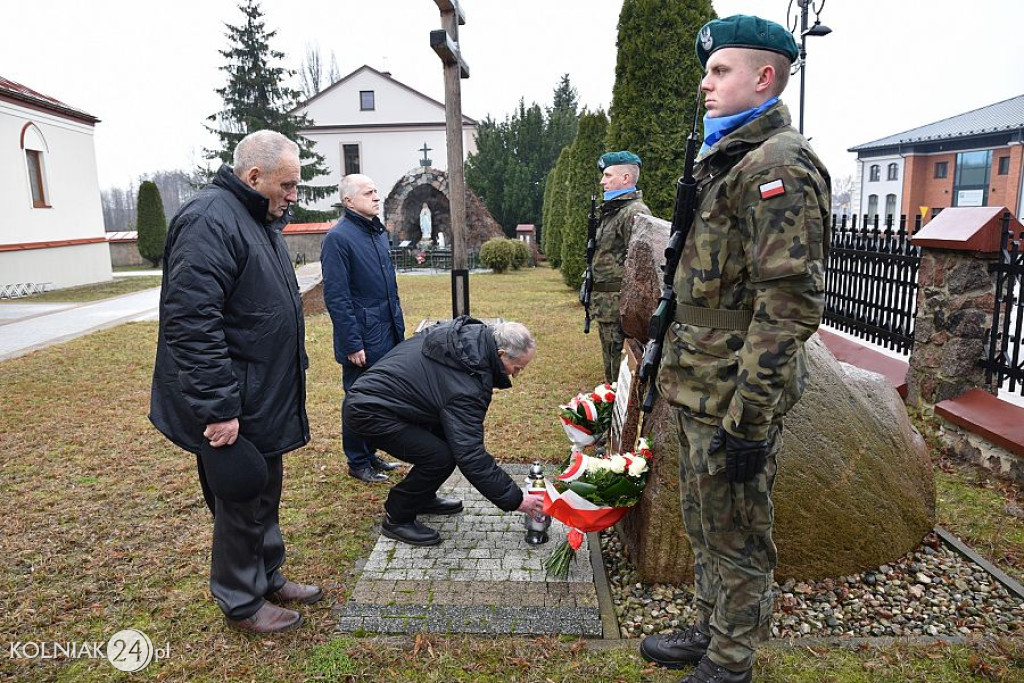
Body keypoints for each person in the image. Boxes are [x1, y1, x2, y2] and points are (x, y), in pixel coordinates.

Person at [640, 15, 830, 683]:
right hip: (696, 384)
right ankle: (709, 626)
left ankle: (731, 659)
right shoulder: (729, 158)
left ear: (765, 77)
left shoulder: (781, 166)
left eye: (720, 70)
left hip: (733, 395)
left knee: (738, 530)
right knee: (703, 520)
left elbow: (789, 307)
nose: (705, 82)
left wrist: (750, 417)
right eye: (709, 70)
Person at [149, 130, 322, 635]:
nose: (294, 195)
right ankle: (241, 600)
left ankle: (268, 574)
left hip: (263, 392)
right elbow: (191, 323)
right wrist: (218, 407)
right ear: (254, 177)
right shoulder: (210, 220)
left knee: (265, 490)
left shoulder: (258, 217)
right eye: (288, 185)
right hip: (234, 400)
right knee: (239, 496)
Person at [342, 317, 546, 546]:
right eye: (516, 368)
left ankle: (422, 497)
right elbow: (470, 454)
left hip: (392, 403)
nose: (515, 375)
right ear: (500, 354)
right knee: (440, 457)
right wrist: (517, 500)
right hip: (371, 412)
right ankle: (397, 516)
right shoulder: (468, 383)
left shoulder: (466, 340)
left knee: (444, 442)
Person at [321, 174, 406, 484]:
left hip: (388, 330)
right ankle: (357, 461)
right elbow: (337, 296)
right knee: (358, 399)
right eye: (368, 192)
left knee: (381, 397)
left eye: (376, 190)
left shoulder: (377, 233)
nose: (376, 196)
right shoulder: (338, 238)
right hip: (363, 338)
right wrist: (351, 343)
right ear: (348, 201)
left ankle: (371, 453)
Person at [592, 150, 651, 384]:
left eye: (607, 175)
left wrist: (633, 310)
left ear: (626, 178)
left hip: (620, 307)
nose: (602, 181)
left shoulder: (634, 212)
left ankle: (621, 416)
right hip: (606, 305)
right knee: (610, 367)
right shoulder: (614, 211)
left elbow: (642, 267)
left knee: (622, 372)